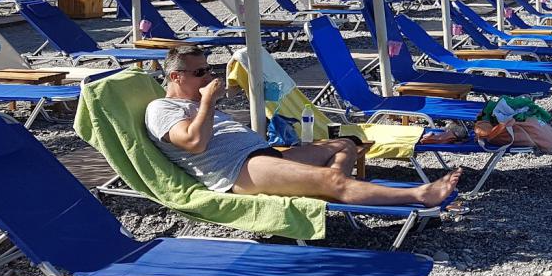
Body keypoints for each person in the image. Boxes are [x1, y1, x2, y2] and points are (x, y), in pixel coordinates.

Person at [145, 45, 458, 206]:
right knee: (333, 182)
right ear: (176, 77)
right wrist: (209, 103)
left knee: (345, 144)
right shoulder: (161, 108)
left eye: (209, 69)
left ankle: (330, 183)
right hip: (237, 171)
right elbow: (194, 143)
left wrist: (205, 103)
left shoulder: (197, 103)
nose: (210, 76)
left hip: (263, 155)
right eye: (201, 72)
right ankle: (420, 194)